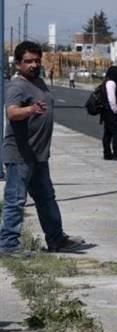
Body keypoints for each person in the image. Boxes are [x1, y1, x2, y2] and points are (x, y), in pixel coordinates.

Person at [0, 41, 87, 256]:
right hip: (20, 155)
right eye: (28, 61)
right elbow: (11, 113)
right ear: (18, 63)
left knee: (46, 198)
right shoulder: (17, 86)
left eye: (37, 60)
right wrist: (30, 109)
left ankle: (56, 239)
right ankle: (8, 245)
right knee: (16, 200)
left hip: (39, 155)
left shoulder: (39, 82)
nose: (33, 64)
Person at [100, 66, 117, 160]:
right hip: (110, 112)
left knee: (107, 133)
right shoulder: (111, 83)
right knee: (116, 133)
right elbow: (111, 99)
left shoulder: (106, 82)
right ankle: (116, 153)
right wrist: (116, 110)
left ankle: (107, 153)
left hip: (105, 111)